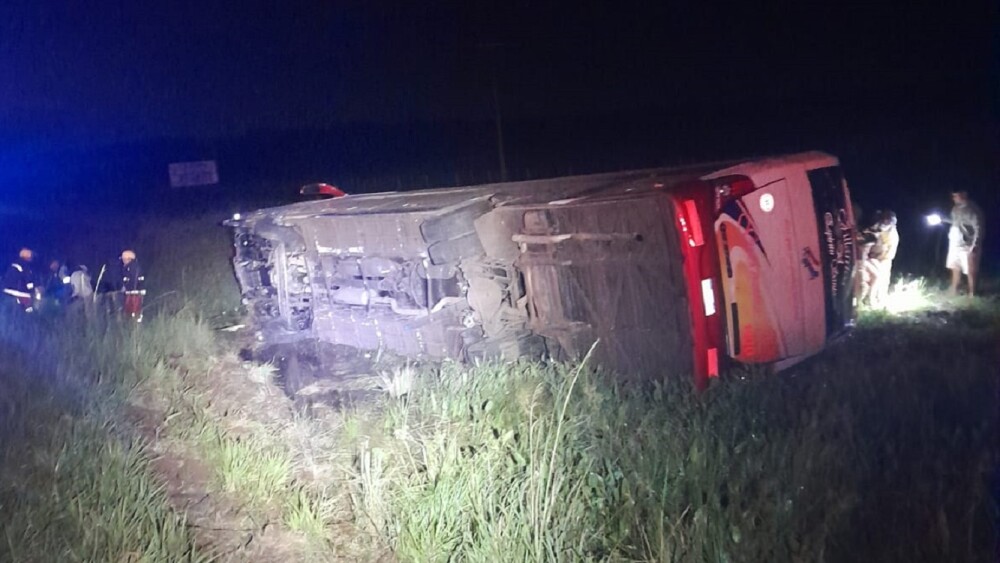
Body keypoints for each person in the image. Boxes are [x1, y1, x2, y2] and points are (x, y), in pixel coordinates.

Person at [856, 210, 900, 308]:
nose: (885, 222)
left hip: (882, 258)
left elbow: (888, 249)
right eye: (884, 219)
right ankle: (861, 302)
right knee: (866, 280)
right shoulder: (872, 230)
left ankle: (875, 299)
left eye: (887, 220)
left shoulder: (891, 233)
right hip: (864, 259)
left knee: (881, 278)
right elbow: (864, 245)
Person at [945, 190, 984, 297]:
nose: (954, 198)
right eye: (953, 196)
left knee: (971, 270)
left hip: (967, 244)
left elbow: (978, 228)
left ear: (964, 195)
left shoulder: (972, 209)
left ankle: (972, 293)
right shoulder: (955, 209)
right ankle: (954, 290)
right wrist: (942, 219)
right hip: (954, 243)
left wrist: (975, 245)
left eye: (956, 196)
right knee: (955, 266)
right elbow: (955, 222)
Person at [3, 248, 38, 312]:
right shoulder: (25, 265)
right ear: (28, 256)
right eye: (31, 255)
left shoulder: (13, 265)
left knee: (7, 316)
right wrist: (32, 292)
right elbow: (29, 281)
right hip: (21, 295)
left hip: (7, 294)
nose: (32, 258)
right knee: (26, 314)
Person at [120, 250, 146, 322]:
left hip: (135, 294)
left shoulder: (133, 267)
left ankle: (135, 326)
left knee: (135, 312)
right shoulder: (129, 267)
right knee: (130, 312)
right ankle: (131, 324)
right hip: (132, 294)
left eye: (124, 259)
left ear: (129, 259)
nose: (123, 261)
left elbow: (133, 282)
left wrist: (126, 288)